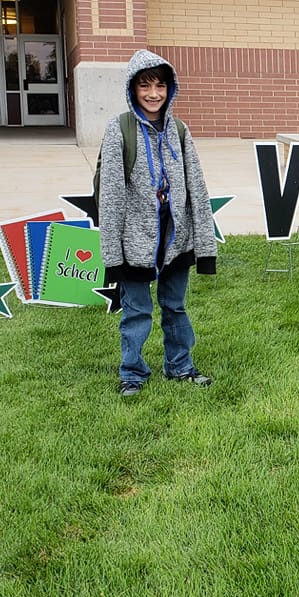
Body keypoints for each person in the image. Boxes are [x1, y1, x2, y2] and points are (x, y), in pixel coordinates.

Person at [98, 49, 218, 397]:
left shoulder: (180, 130)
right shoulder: (119, 130)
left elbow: (197, 187)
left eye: (160, 85)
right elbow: (111, 196)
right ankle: (132, 373)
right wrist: (112, 256)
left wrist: (204, 248)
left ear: (171, 89)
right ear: (132, 88)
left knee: (175, 306)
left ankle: (180, 366)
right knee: (136, 312)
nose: (153, 93)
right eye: (145, 85)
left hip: (175, 239)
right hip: (134, 242)